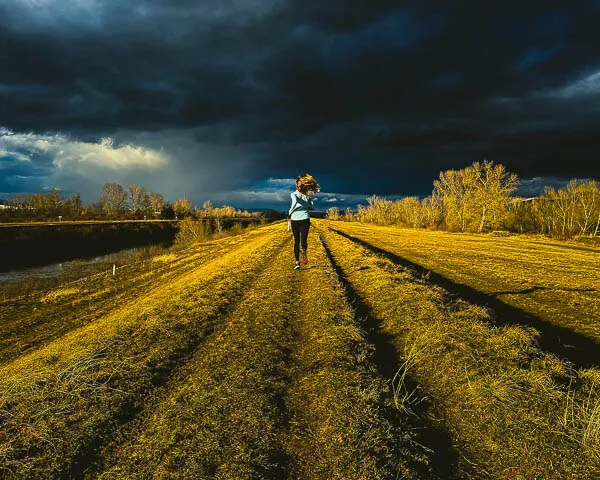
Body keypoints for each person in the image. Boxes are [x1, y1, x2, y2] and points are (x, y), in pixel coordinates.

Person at [288, 174, 320, 269]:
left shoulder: (301, 195)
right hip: (300, 219)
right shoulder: (301, 195)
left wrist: (290, 212)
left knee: (299, 241)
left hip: (300, 219)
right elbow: (310, 207)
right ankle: (300, 258)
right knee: (300, 240)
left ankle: (300, 258)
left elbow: (296, 204)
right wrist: (307, 204)